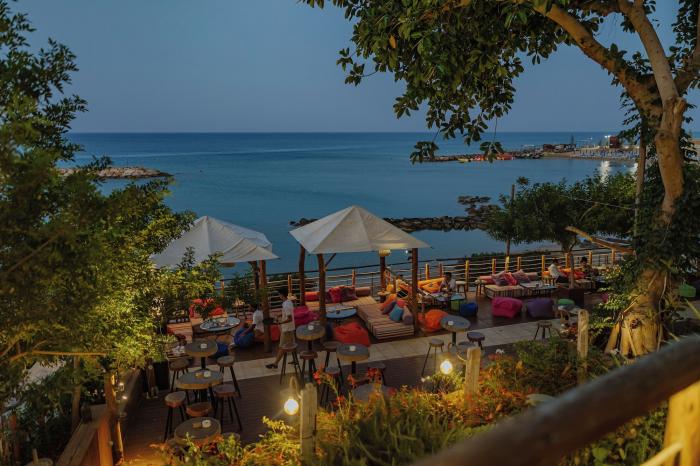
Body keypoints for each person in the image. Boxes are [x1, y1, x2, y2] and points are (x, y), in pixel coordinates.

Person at [265, 287, 295, 369]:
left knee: (282, 347)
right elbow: (288, 314)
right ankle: (295, 360)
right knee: (292, 343)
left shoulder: (286, 305)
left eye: (279, 294)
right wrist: (279, 315)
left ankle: (275, 364)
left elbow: (289, 318)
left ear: (281, 295)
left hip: (287, 329)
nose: (279, 295)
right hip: (291, 327)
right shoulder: (289, 302)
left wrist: (280, 322)